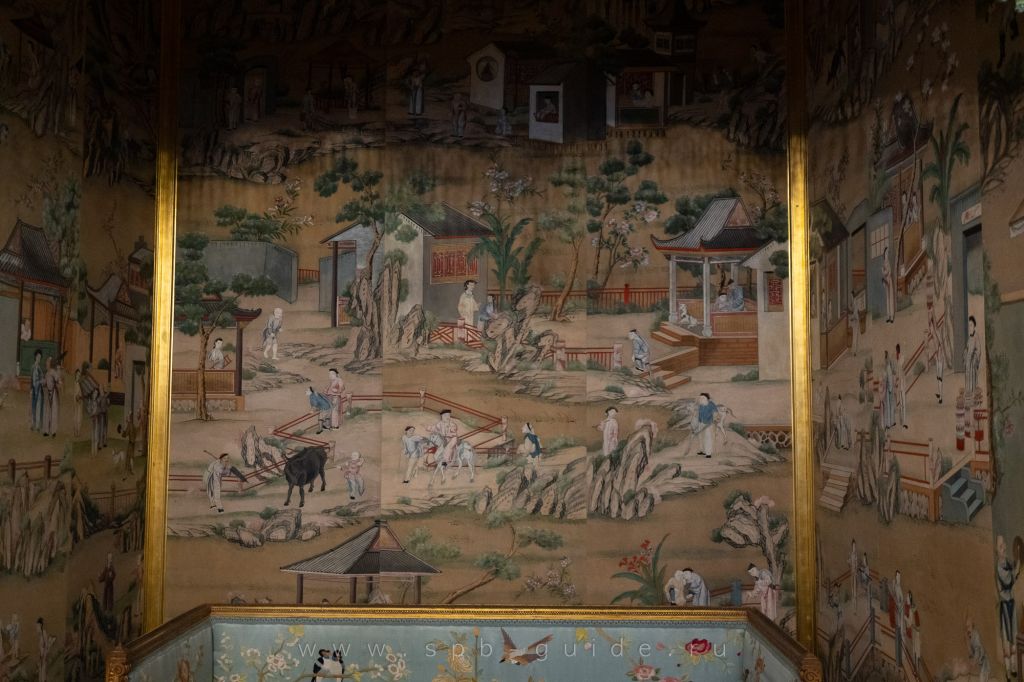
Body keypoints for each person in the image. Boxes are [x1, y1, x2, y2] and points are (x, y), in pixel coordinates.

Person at [996, 535, 1020, 678]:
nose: (1004, 548)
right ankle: (1008, 672)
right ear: (997, 551)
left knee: (1014, 635)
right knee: (1007, 638)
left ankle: (1014, 667)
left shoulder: (1008, 563)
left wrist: (1017, 565)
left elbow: (1013, 576)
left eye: (1004, 545)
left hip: (1012, 603)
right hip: (1005, 607)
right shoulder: (999, 567)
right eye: (1000, 547)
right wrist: (1015, 571)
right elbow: (1008, 579)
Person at [927, 297, 944, 403]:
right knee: (938, 376)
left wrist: (938, 352)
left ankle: (941, 397)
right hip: (938, 356)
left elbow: (940, 344)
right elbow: (930, 324)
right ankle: (940, 393)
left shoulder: (936, 332)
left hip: (940, 356)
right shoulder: (934, 332)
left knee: (940, 377)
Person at [694, 393, 719, 458]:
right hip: (700, 423)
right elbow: (698, 413)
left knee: (707, 438)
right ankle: (702, 451)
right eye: (700, 398)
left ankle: (708, 453)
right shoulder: (701, 405)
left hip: (708, 424)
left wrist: (715, 418)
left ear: (706, 398)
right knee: (700, 437)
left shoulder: (711, 404)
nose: (700, 399)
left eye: (702, 398)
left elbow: (716, 412)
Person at [966, 616, 991, 682]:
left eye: (968, 627)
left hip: (984, 661)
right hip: (980, 662)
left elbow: (977, 650)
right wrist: (971, 657)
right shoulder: (970, 637)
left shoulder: (976, 635)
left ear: (972, 626)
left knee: (982, 679)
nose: (967, 629)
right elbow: (972, 652)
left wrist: (974, 661)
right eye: (966, 627)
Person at [43, 357, 61, 437]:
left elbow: (58, 380)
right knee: (47, 411)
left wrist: (58, 382)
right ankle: (46, 430)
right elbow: (45, 383)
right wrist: (42, 382)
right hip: (48, 394)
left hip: (53, 394)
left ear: (50, 363)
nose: (46, 363)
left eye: (48, 362)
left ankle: (53, 431)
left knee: (54, 411)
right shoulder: (47, 373)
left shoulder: (53, 372)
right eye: (46, 362)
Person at [905, 590, 921, 672]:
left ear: (910, 598)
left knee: (916, 650)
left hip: (915, 631)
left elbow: (909, 623)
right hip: (916, 631)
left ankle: (916, 670)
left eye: (907, 597)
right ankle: (916, 669)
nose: (906, 598)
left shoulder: (911, 609)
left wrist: (905, 617)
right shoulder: (913, 607)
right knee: (916, 650)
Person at [965, 315, 981, 398]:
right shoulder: (969, 337)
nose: (970, 327)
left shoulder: (976, 336)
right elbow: (967, 348)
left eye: (971, 325)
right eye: (969, 326)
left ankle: (973, 395)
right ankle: (969, 394)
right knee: (968, 379)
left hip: (973, 362)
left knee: (973, 379)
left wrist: (975, 358)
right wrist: (965, 353)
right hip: (968, 362)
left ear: (974, 325)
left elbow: (978, 350)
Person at [36, 618, 55, 682]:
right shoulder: (39, 634)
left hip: (44, 654)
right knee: (40, 669)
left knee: (43, 669)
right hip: (41, 654)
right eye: (36, 626)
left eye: (37, 626)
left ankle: (43, 680)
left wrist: (44, 654)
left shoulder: (43, 632)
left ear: (40, 625)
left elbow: (46, 645)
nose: (37, 628)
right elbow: (40, 646)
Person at [29, 350, 44, 432]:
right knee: (32, 407)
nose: (39, 359)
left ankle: (37, 425)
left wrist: (41, 381)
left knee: (38, 407)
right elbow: (32, 380)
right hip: (34, 390)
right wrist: (31, 389)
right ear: (35, 357)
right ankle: (32, 424)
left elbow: (41, 379)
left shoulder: (40, 368)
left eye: (40, 357)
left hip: (39, 390)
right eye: (38, 357)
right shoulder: (33, 367)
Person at [895, 344, 908, 428]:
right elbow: (897, 372)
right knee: (901, 403)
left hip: (902, 382)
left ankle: (904, 421)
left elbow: (900, 368)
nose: (897, 350)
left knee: (903, 403)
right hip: (899, 383)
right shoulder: (896, 358)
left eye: (898, 349)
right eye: (897, 349)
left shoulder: (901, 357)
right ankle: (901, 421)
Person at [882, 350, 895, 429]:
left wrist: (890, 389)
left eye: (885, 358)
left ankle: (889, 423)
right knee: (888, 406)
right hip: (887, 389)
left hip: (889, 389)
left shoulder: (888, 367)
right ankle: (889, 423)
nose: (885, 360)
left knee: (889, 406)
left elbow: (890, 378)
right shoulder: (886, 367)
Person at [881, 246, 895, 323]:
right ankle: (888, 316)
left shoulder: (888, 262)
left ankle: (892, 316)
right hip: (886, 280)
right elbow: (883, 272)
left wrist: (885, 272)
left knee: (890, 298)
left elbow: (889, 271)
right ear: (884, 254)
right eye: (886, 253)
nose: (886, 254)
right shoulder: (884, 262)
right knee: (887, 298)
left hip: (889, 280)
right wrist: (884, 272)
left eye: (887, 253)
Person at [849, 540, 860, 614]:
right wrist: (849, 562)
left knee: (855, 591)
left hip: (855, 574)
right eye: (853, 546)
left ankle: (855, 609)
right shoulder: (851, 554)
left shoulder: (856, 555)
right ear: (852, 546)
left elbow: (856, 564)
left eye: (855, 546)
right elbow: (850, 563)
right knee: (852, 590)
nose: (854, 547)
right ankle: (853, 608)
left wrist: (856, 570)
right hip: (852, 573)